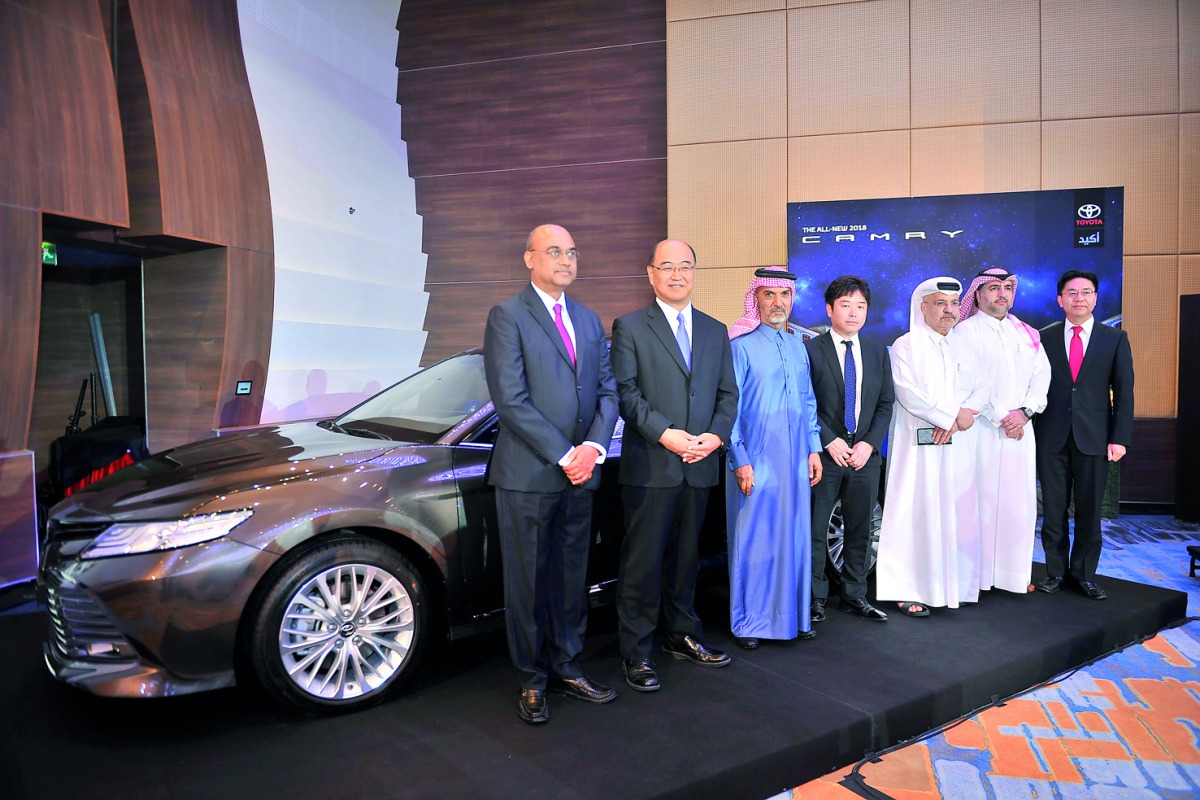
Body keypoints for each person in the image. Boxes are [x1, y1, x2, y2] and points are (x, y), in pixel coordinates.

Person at [482, 224, 620, 724]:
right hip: (529, 476)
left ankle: (567, 666)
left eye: (572, 252)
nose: (566, 260)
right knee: (527, 583)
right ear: (529, 258)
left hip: (581, 475)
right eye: (555, 251)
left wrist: (593, 448)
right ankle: (531, 679)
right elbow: (511, 401)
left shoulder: (587, 319)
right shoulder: (508, 316)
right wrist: (566, 454)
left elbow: (608, 393)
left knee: (571, 579)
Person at [610, 238, 739, 692]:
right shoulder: (630, 327)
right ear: (651, 274)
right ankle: (636, 651)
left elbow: (728, 394)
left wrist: (716, 436)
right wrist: (665, 433)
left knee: (687, 560)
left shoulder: (715, 330)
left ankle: (681, 635)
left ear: (695, 273)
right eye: (667, 266)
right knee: (642, 563)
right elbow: (626, 393)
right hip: (652, 464)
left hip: (700, 463)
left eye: (685, 266)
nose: (677, 274)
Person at [875, 277, 990, 616]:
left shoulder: (966, 346)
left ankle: (954, 586)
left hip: (958, 446)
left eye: (953, 304)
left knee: (957, 512)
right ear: (923, 307)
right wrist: (949, 416)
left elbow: (983, 386)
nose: (949, 311)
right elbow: (907, 393)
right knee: (915, 513)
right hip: (917, 447)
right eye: (940, 304)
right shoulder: (906, 346)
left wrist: (961, 416)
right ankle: (907, 589)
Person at [724, 267, 823, 650]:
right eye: (769, 295)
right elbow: (728, 409)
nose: (778, 303)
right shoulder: (740, 346)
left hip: (796, 461)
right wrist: (740, 458)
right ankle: (750, 622)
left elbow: (808, 402)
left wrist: (813, 448)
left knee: (793, 537)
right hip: (756, 460)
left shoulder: (798, 346)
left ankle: (792, 618)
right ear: (756, 299)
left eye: (784, 295)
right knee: (755, 539)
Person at [1034, 270, 1134, 600]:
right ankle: (1055, 572)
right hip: (1051, 437)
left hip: (1095, 438)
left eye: (1086, 292)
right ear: (1060, 299)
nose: (1079, 298)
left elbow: (1124, 392)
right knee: (1053, 511)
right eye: (1072, 292)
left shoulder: (1114, 339)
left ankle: (1085, 575)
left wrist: (1119, 438)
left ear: (1095, 298)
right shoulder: (1043, 338)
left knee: (1090, 512)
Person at [954, 268, 1051, 595]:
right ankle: (979, 578)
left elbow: (1042, 377)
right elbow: (966, 382)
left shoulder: (1026, 333)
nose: (1002, 294)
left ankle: (1013, 576)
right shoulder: (964, 332)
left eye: (1008, 288)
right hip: (981, 431)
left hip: (1021, 432)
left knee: (1017, 504)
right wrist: (1001, 417)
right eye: (994, 288)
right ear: (978, 293)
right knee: (981, 503)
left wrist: (1024, 412)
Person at [805, 275, 893, 624]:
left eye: (860, 306)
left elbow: (885, 404)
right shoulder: (810, 350)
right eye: (846, 305)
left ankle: (854, 595)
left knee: (860, 527)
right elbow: (805, 403)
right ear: (829, 309)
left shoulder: (877, 352)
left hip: (864, 457)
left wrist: (869, 443)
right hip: (825, 455)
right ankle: (815, 596)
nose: (854, 313)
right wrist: (829, 439)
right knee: (815, 529)